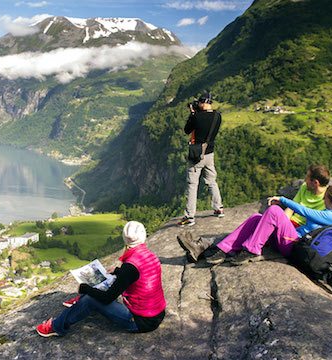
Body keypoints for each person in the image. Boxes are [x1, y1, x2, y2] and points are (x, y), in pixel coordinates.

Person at [36, 221, 166, 337]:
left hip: (140, 321)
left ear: (125, 239)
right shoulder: (150, 256)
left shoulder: (130, 266)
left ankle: (56, 327)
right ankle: (80, 305)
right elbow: (137, 276)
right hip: (156, 315)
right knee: (106, 284)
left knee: (90, 299)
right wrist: (117, 271)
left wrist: (85, 289)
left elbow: (107, 297)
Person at [202, 184, 332, 266]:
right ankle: (224, 249)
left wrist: (283, 200)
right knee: (257, 217)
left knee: (274, 211)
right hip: (292, 241)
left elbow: (305, 212)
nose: (323, 201)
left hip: (295, 246)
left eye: (325, 198)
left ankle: (252, 250)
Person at [179, 92, 224, 227]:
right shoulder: (218, 116)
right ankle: (218, 208)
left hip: (196, 155)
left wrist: (192, 113)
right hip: (209, 154)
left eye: (199, 102)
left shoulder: (196, 117)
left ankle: (190, 216)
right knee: (211, 181)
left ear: (203, 102)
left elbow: (187, 130)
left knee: (192, 185)